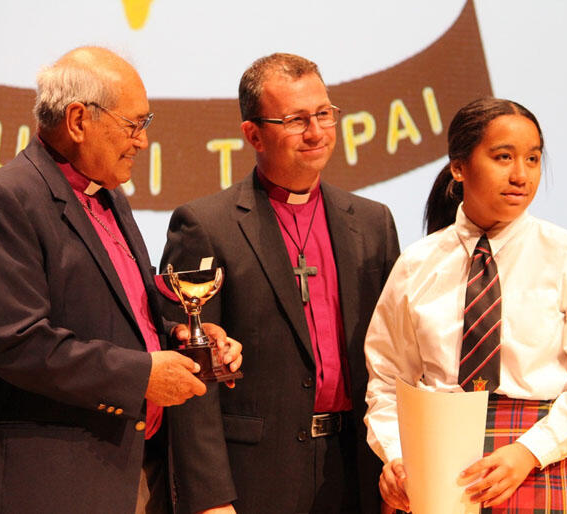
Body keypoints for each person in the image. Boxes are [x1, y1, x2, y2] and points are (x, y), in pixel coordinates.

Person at [0, 47, 241, 514]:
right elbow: (16, 343)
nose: (142, 141)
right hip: (44, 487)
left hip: (128, 474)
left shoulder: (108, 195)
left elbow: (119, 319)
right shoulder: (6, 199)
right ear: (79, 120)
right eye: (134, 124)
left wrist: (183, 338)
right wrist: (144, 375)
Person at [364, 97, 567, 512]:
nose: (521, 175)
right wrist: (397, 456)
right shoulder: (417, 265)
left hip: (543, 458)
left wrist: (530, 451)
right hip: (437, 458)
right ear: (459, 167)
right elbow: (386, 381)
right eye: (503, 157)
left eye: (533, 158)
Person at [161, 52, 400, 513]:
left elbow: (397, 358)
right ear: (254, 134)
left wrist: (398, 463)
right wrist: (210, 499)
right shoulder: (206, 224)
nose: (316, 132)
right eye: (295, 120)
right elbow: (193, 373)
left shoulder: (373, 222)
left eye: (324, 114)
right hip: (255, 477)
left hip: (359, 468)